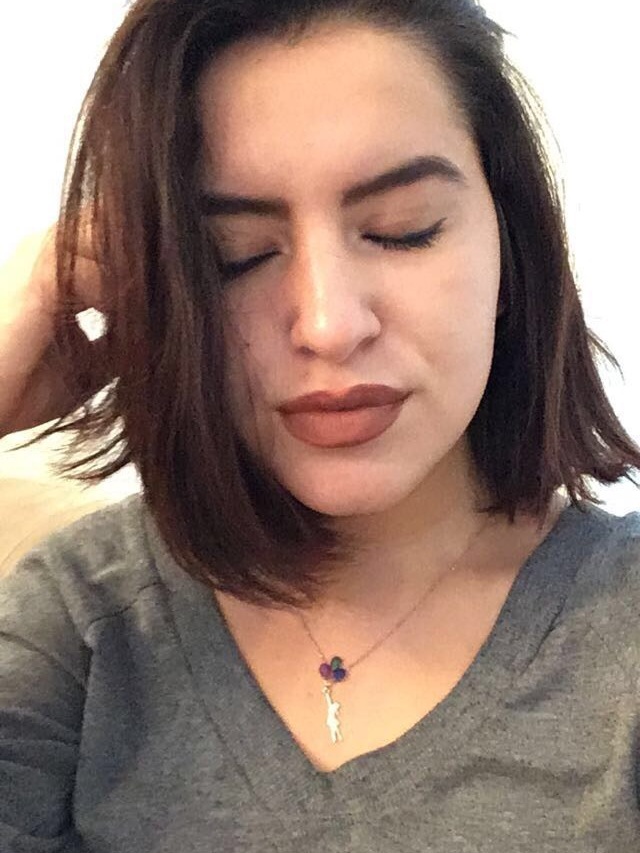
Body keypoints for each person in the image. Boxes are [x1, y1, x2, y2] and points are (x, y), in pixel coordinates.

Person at [1, 0, 639, 850]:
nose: (330, 325)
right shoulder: (85, 619)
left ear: (510, 248)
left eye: (403, 231)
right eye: (234, 256)